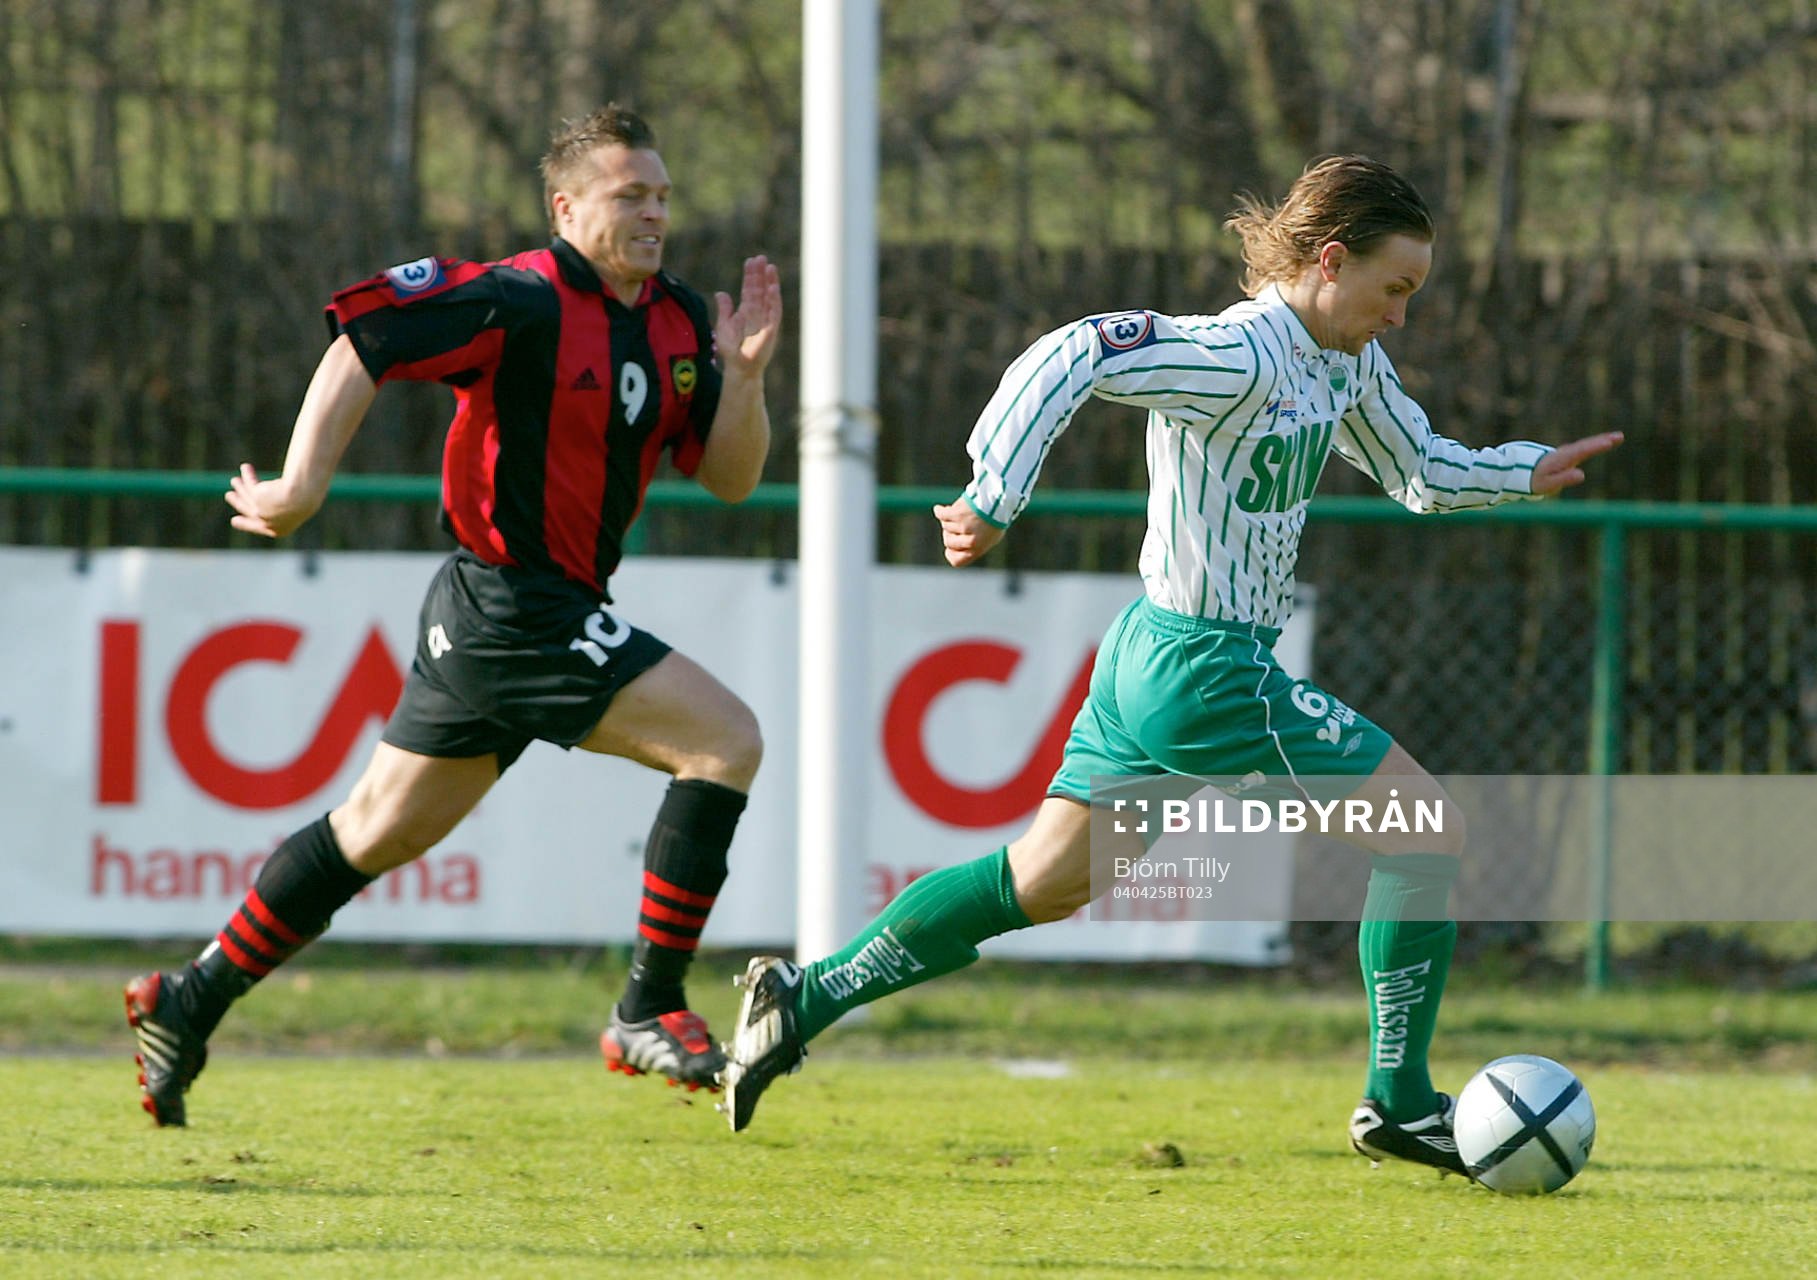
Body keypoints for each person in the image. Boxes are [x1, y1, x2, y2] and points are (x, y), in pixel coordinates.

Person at [720, 155, 1622, 1174]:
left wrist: (1519, 469)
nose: (1399, 316)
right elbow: (1073, 352)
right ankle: (1397, 1101)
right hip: (1205, 671)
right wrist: (992, 491)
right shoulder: (1234, 357)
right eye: (1393, 288)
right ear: (1329, 261)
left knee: (1042, 878)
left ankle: (804, 998)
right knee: (1423, 834)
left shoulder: (1345, 363)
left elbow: (1415, 470)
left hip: (1155, 659)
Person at [124, 103, 784, 1126]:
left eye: (661, 194)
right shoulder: (518, 297)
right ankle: (646, 1004)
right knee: (723, 740)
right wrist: (300, 485)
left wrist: (741, 379)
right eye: (629, 195)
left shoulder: (683, 323)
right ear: (566, 206)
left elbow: (732, 480)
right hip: (509, 604)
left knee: (372, 830)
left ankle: (189, 995)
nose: (654, 212)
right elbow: (364, 341)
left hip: (513, 610)